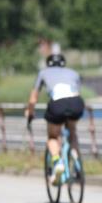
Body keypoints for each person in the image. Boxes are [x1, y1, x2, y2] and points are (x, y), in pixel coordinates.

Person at [26, 52, 85, 185]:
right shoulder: (73, 73)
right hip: (76, 102)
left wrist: (30, 113)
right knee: (72, 132)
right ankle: (76, 161)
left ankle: (57, 162)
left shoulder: (43, 73)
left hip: (57, 104)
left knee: (53, 137)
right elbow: (77, 91)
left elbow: (33, 99)